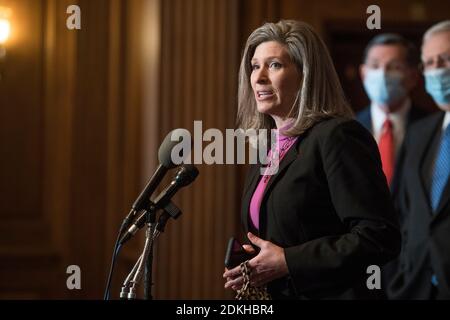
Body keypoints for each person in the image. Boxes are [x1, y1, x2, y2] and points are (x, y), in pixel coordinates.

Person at [223, 20, 401, 299]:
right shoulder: (267, 145)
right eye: (255, 66)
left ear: (306, 75)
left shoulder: (338, 136)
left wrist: (289, 261)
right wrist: (256, 262)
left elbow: (378, 236)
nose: (258, 78)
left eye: (274, 65)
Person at [388, 20, 450, 300]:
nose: (437, 70)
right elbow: (404, 211)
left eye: (446, 59)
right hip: (415, 288)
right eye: (430, 63)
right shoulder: (420, 132)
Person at [357, 33, 428, 195]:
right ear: (363, 73)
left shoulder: (432, 126)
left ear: (413, 76)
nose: (382, 74)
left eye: (395, 67)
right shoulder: (348, 127)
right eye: (375, 66)